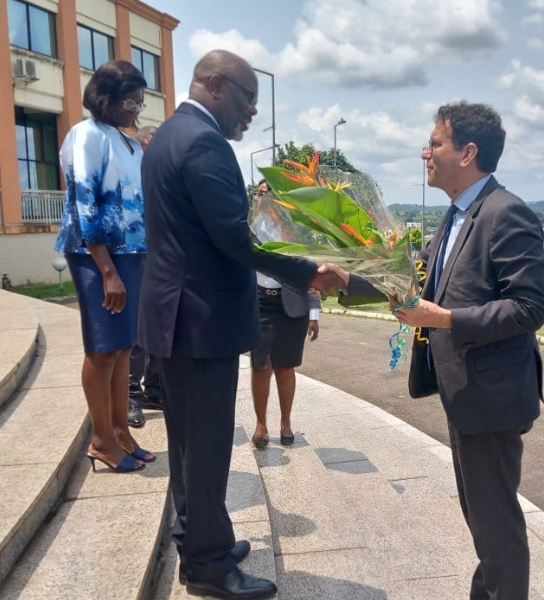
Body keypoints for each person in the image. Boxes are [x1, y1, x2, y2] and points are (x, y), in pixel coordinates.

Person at [138, 50, 344, 600]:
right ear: (214, 85)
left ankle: (202, 538)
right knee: (204, 449)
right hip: (199, 323)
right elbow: (236, 236)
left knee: (187, 444)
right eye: (248, 97)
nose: (254, 109)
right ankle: (207, 566)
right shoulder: (202, 142)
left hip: (175, 317)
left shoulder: (166, 136)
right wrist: (311, 272)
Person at [393, 102, 544, 600]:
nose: (425, 153)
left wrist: (442, 320)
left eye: (435, 143)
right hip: (465, 392)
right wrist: (350, 275)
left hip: (492, 396)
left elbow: (528, 308)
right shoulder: (457, 214)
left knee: (496, 524)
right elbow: (424, 283)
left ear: (469, 152)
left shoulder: (506, 212)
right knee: (483, 519)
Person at [55, 60, 154, 474]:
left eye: (139, 102)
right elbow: (84, 203)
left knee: (121, 348)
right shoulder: (85, 135)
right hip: (97, 257)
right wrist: (107, 270)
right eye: (130, 101)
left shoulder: (126, 141)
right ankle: (100, 439)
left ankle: (120, 433)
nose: (136, 110)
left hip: (131, 255)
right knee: (101, 350)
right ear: (106, 98)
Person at [250, 181, 321, 448]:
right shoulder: (247, 227)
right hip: (258, 303)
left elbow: (311, 271)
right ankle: (260, 424)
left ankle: (286, 422)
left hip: (290, 304)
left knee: (285, 366)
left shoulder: (296, 229)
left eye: (268, 192)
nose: (262, 197)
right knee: (261, 365)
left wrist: (315, 313)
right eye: (258, 193)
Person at [125, 125, 161, 429]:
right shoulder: (130, 178)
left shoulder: (162, 177)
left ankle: (155, 391)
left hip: (163, 262)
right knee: (138, 336)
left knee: (162, 329)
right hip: (136, 261)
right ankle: (132, 398)